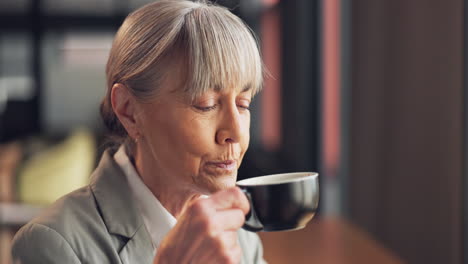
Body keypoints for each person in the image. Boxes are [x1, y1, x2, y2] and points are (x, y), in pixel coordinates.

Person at [11, 0, 267, 263]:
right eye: (207, 105)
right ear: (129, 111)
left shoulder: (240, 238)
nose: (236, 132)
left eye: (243, 104)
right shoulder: (51, 244)